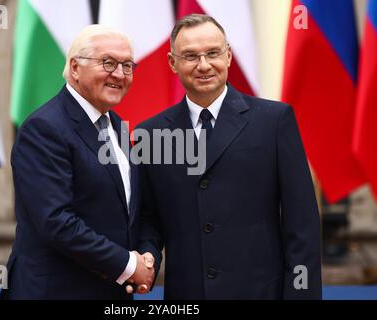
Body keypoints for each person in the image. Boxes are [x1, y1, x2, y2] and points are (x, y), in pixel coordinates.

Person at [136, 14, 322, 299]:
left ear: (229, 56)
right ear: (173, 63)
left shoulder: (274, 121)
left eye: (213, 53)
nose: (204, 65)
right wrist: (147, 257)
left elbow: (302, 224)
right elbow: (148, 218)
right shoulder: (151, 133)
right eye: (190, 56)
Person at [0, 25, 154, 300]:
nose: (119, 74)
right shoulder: (44, 128)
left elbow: (131, 211)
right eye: (108, 63)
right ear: (74, 68)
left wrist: (147, 258)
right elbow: (56, 222)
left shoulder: (117, 126)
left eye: (127, 65)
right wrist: (129, 266)